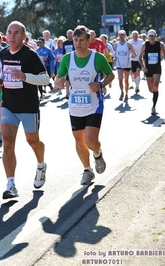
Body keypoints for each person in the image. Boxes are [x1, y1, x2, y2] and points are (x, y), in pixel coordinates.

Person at [0, 21, 50, 199]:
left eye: (16, 33)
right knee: (8, 143)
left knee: (33, 141)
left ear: (24, 37)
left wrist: (25, 76)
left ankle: (41, 164)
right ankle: (11, 185)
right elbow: (5, 71)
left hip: (28, 106)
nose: (12, 36)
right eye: (9, 32)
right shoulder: (3, 53)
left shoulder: (30, 55)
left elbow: (45, 79)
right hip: (9, 105)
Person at [55, 25, 115, 185]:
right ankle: (87, 170)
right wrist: (59, 82)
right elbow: (58, 77)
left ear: (89, 41)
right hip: (75, 106)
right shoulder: (68, 58)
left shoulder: (98, 58)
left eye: (81, 40)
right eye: (76, 39)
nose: (78, 42)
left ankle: (97, 153)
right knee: (79, 141)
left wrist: (101, 84)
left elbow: (110, 75)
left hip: (94, 105)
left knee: (90, 140)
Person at [138, 29, 165, 115]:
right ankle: (154, 97)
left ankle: (154, 106)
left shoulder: (160, 45)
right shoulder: (145, 45)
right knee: (151, 89)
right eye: (150, 36)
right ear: (148, 37)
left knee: (155, 87)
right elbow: (139, 57)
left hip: (157, 68)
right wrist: (143, 67)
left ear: (155, 36)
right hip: (148, 69)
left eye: (153, 35)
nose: (151, 37)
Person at [114, 30, 137, 102]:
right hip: (119, 64)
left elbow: (134, 53)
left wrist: (133, 56)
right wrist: (114, 58)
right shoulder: (116, 44)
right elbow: (116, 53)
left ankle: (127, 94)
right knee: (120, 80)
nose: (121, 36)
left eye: (122, 35)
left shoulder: (128, 44)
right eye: (120, 35)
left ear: (125, 36)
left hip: (127, 64)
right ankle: (122, 92)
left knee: (126, 81)